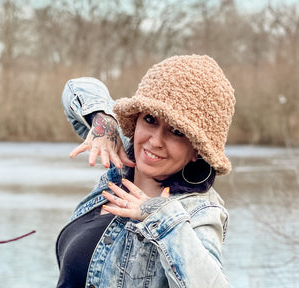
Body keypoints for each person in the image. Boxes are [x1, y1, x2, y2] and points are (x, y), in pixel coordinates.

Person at [56, 55, 235, 288]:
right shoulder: (121, 163)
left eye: (177, 132)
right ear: (137, 120)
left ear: (197, 150)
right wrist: (105, 121)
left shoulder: (199, 212)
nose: (155, 141)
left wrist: (160, 215)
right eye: (150, 119)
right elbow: (78, 88)